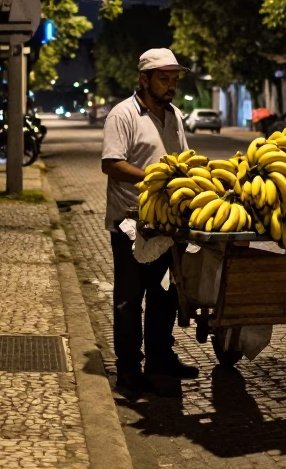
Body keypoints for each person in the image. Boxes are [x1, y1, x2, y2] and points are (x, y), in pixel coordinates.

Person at [101, 48, 199, 393]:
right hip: (130, 225)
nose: (171, 85)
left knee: (166, 297)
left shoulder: (174, 116)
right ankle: (128, 368)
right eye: (163, 79)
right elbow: (111, 163)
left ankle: (161, 358)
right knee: (129, 299)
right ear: (144, 80)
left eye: (174, 79)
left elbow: (182, 161)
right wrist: (151, 179)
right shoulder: (123, 114)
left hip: (167, 224)